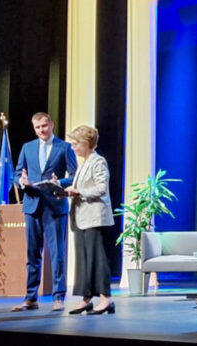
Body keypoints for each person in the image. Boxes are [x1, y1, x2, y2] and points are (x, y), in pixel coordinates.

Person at [11, 112, 77, 312]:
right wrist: (21, 181)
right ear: (34, 128)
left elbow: (75, 175)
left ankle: (58, 298)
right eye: (38, 127)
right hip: (32, 205)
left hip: (54, 206)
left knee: (57, 254)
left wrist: (60, 182)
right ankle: (31, 298)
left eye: (44, 126)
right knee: (32, 254)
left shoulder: (64, 147)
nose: (42, 130)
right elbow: (17, 173)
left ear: (52, 125)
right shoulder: (27, 147)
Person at [63, 125, 115, 315]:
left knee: (97, 259)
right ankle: (86, 298)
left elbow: (101, 188)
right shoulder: (84, 163)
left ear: (86, 143)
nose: (73, 147)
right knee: (84, 260)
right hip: (81, 218)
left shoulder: (98, 161)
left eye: (75, 144)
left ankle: (106, 299)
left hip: (94, 218)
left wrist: (79, 192)